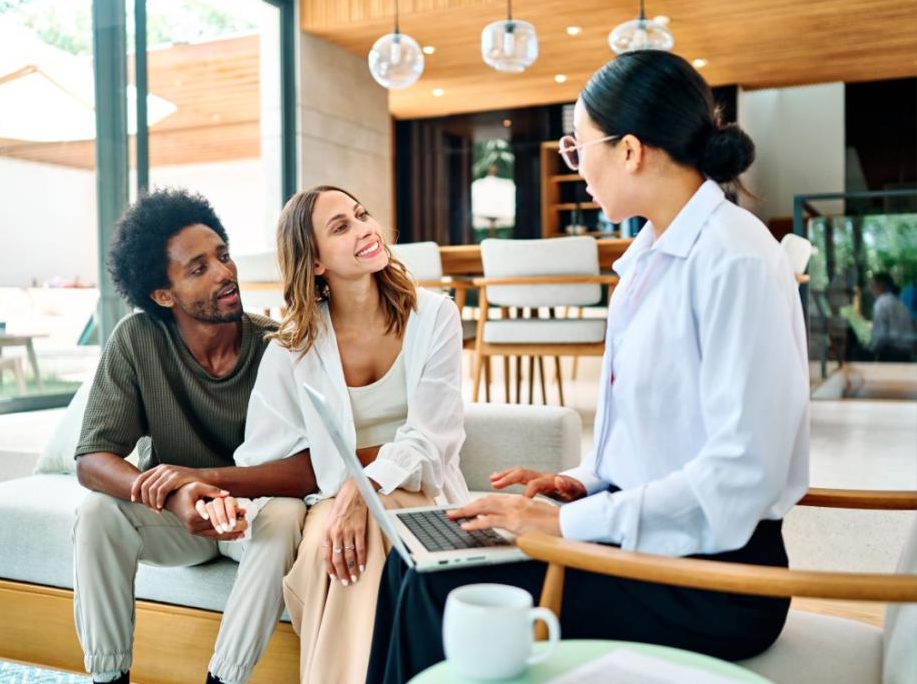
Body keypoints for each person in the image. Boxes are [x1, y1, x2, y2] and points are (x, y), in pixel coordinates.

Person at [366, 49, 811, 684]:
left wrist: (564, 522)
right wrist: (584, 481)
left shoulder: (735, 259)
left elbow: (740, 476)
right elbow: (656, 441)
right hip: (647, 542)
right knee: (414, 564)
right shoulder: (647, 260)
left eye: (577, 149)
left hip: (713, 578)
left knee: (442, 593)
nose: (575, 168)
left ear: (630, 151)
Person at [73, 189, 317, 684]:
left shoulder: (278, 346)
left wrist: (207, 481)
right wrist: (180, 494)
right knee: (96, 511)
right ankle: (108, 677)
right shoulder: (137, 339)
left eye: (223, 256)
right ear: (164, 295)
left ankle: (223, 679)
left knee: (288, 514)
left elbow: (313, 466)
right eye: (199, 268)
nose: (225, 273)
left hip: (252, 517)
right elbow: (92, 458)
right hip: (176, 519)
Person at [232, 186, 470, 684]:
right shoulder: (291, 347)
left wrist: (364, 483)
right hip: (332, 499)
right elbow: (267, 455)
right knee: (335, 546)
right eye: (341, 227)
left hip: (421, 491)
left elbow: (432, 437)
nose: (365, 228)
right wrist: (349, 489)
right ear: (315, 262)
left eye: (362, 215)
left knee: (366, 536)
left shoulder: (435, 317)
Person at [869, 272, 915, 361]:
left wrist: (872, 350)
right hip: (906, 355)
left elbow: (881, 335)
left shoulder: (881, 303)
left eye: (872, 284)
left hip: (890, 354)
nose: (870, 288)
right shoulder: (899, 303)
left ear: (881, 285)